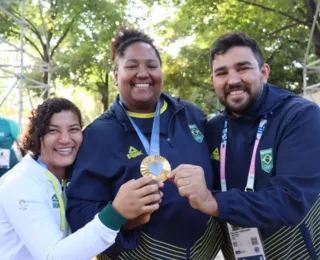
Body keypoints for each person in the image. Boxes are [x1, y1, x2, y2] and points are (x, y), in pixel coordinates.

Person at [66, 28, 222, 259]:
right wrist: (121, 217)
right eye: (131, 66)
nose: (142, 73)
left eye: (151, 66)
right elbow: (79, 213)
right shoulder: (98, 134)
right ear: (116, 75)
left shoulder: (191, 115)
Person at [169, 32, 320, 260]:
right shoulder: (214, 128)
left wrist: (214, 202)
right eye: (222, 73)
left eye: (243, 68)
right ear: (213, 81)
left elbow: (291, 200)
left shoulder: (300, 116)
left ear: (264, 72)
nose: (233, 80)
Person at [0, 97, 162, 260]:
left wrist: (129, 220)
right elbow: (52, 257)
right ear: (38, 136)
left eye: (73, 129)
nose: (65, 139)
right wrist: (115, 214)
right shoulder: (21, 183)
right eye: (53, 130)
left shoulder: (70, 180)